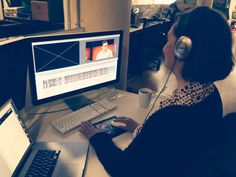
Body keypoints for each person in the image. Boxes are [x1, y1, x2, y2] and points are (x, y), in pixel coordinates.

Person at [79, 6, 234, 177]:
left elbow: (122, 169)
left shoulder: (170, 118)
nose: (164, 47)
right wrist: (139, 129)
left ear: (182, 50)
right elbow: (172, 146)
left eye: (168, 40)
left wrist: (96, 136)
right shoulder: (210, 96)